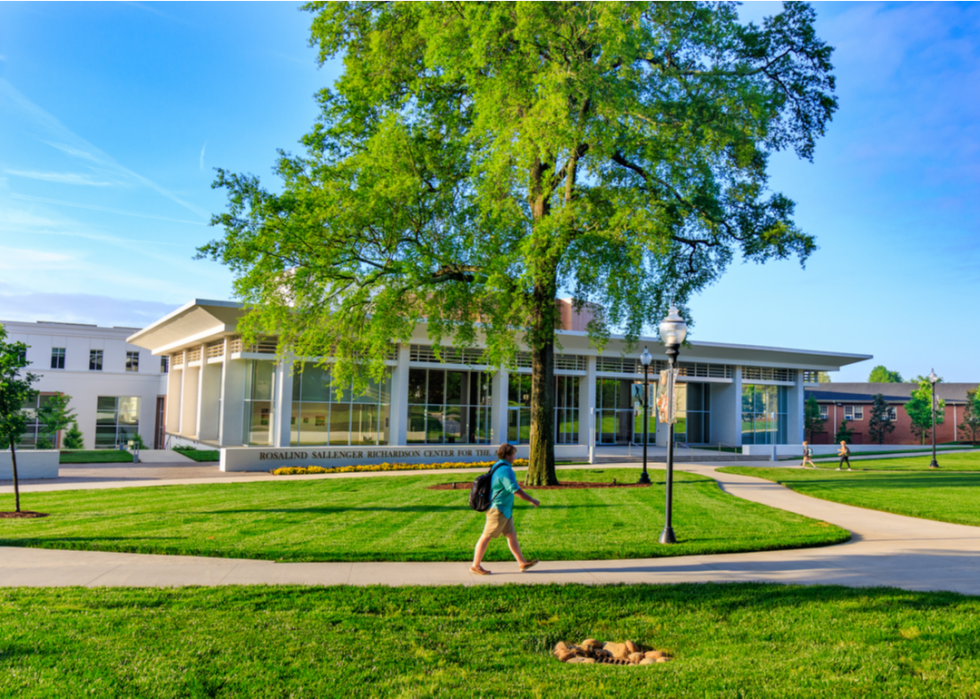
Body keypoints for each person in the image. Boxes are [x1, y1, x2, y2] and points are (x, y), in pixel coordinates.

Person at [470, 443, 540, 576]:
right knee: (486, 536)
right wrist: (532, 500)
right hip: (498, 509)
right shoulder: (505, 470)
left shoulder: (498, 465)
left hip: (504, 510)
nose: (514, 457)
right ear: (507, 455)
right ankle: (475, 565)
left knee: (511, 535)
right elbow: (515, 490)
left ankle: (522, 562)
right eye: (513, 454)